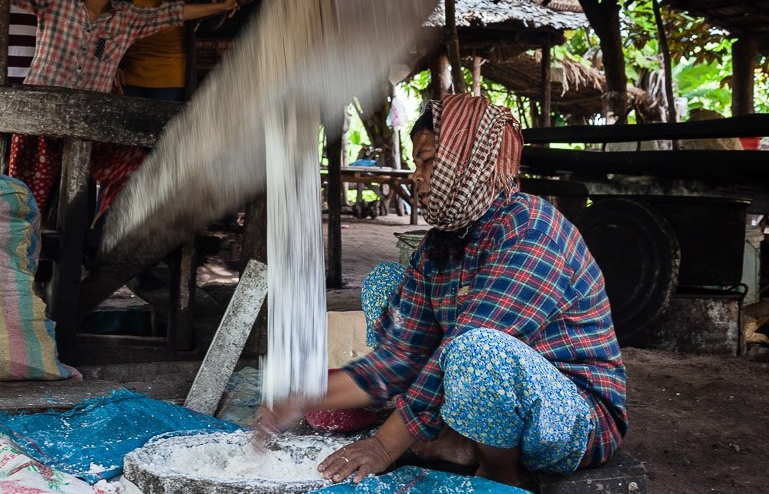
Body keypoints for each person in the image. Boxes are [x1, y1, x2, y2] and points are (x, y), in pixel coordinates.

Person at [257, 94, 627, 487]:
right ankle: (463, 439)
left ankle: (500, 472)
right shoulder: (439, 244)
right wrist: (304, 393)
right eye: (416, 163)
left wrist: (384, 446)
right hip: (487, 390)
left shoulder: (530, 229)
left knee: (476, 352)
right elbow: (401, 356)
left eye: (428, 162)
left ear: (471, 163)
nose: (417, 177)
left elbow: (464, 348)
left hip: (572, 419)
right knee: (386, 281)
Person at [4, 0, 238, 213]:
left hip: (89, 129)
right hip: (39, 123)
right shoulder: (54, 0)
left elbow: (173, 13)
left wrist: (221, 7)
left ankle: (103, 243)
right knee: (23, 204)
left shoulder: (125, 18)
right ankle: (21, 253)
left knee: (137, 176)